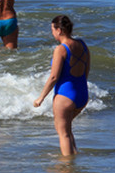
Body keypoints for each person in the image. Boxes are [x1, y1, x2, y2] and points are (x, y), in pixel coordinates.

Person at [33, 15, 90, 156]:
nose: (52, 33)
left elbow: (53, 77)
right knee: (67, 130)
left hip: (65, 96)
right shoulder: (82, 44)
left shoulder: (61, 49)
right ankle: (74, 158)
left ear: (59, 30)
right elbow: (86, 70)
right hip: (82, 94)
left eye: (52, 29)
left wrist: (40, 98)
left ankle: (67, 169)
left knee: (63, 133)